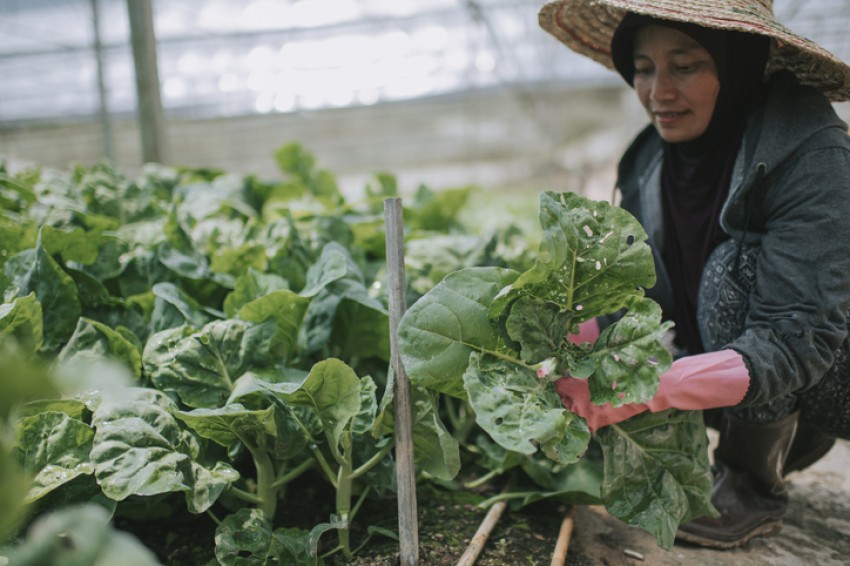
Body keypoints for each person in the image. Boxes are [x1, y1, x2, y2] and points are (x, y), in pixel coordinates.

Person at [538, 0, 850, 550]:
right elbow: (640, 299)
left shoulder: (809, 149)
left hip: (826, 381)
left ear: (739, 62)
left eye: (685, 66)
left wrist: (638, 391)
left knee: (732, 271)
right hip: (735, 393)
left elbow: (797, 337)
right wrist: (575, 340)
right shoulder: (647, 164)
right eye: (643, 67)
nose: (658, 92)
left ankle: (752, 483)